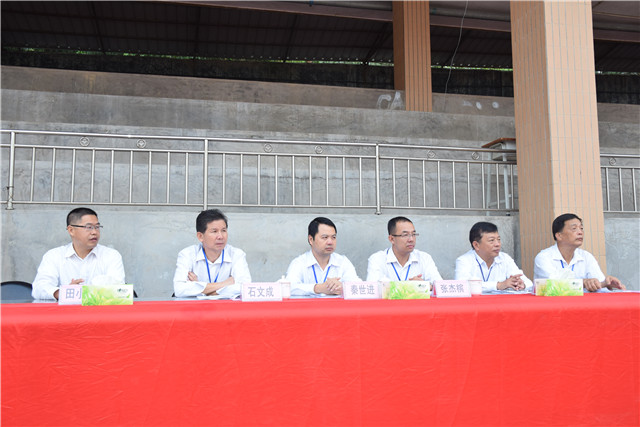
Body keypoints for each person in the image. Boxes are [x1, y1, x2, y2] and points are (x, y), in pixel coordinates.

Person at [31, 207, 125, 300]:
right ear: (71, 230)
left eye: (97, 227)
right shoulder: (54, 256)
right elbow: (39, 288)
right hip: (66, 309)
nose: (94, 232)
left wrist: (80, 293)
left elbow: (118, 290)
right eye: (89, 227)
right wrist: (65, 293)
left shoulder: (111, 255)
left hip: (99, 309)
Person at [534, 213, 625, 292]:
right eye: (574, 228)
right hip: (554, 304)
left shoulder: (586, 256)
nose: (580, 232)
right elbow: (554, 284)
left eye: (581, 228)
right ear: (559, 236)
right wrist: (584, 282)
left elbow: (597, 282)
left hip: (582, 305)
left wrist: (606, 283)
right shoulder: (544, 257)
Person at [173, 209, 252, 297]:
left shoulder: (237, 254)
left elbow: (245, 288)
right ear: (200, 236)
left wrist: (199, 287)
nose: (220, 236)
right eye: (214, 231)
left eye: (223, 230)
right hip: (197, 306)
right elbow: (179, 289)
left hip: (227, 305)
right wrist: (225, 284)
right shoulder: (187, 255)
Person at [284, 217, 360, 295]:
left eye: (333, 237)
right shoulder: (299, 263)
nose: (330, 242)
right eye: (325, 237)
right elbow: (289, 288)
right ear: (311, 239)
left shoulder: (343, 262)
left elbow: (358, 286)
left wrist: (343, 287)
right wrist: (318, 288)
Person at [455, 221, 531, 292]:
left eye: (499, 239)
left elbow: (529, 283)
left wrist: (522, 284)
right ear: (476, 245)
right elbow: (462, 286)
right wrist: (498, 285)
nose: (497, 244)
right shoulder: (464, 261)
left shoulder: (504, 258)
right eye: (491, 240)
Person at [366, 216, 442, 283]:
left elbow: (440, 286)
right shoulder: (377, 259)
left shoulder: (424, 258)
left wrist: (424, 285)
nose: (411, 239)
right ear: (392, 239)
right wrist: (409, 287)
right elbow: (373, 288)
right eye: (405, 235)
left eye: (413, 234)